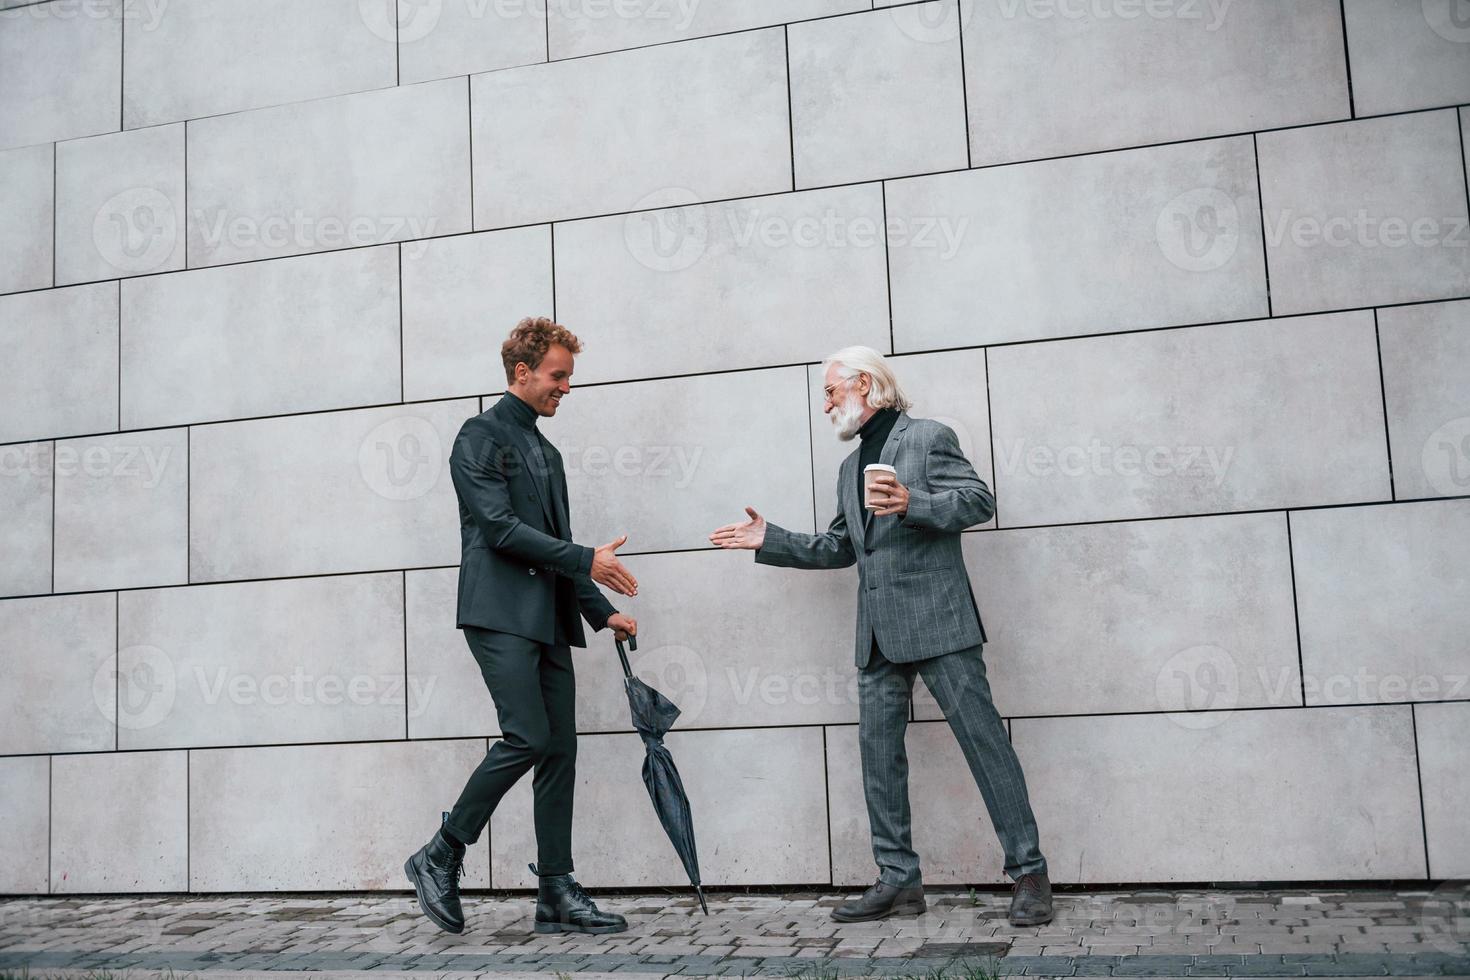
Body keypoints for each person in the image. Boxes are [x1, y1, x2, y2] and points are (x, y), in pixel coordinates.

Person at [709, 346, 1053, 927]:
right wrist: (769, 538)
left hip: (939, 622)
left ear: (863, 383)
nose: (825, 406)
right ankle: (899, 879)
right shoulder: (849, 469)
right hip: (876, 634)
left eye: (829, 392)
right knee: (879, 758)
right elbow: (840, 547)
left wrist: (914, 502)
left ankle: (1029, 872)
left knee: (984, 743)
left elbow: (978, 500)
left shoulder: (927, 437)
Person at [404, 316, 640, 936]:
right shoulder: (478, 437)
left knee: (559, 748)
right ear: (522, 372)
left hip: (548, 620)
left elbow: (555, 544)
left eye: (568, 378)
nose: (566, 387)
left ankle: (556, 893)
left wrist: (600, 609)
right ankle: (442, 851)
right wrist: (588, 558)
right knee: (528, 737)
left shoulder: (547, 450)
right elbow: (501, 530)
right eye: (558, 376)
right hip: (498, 615)